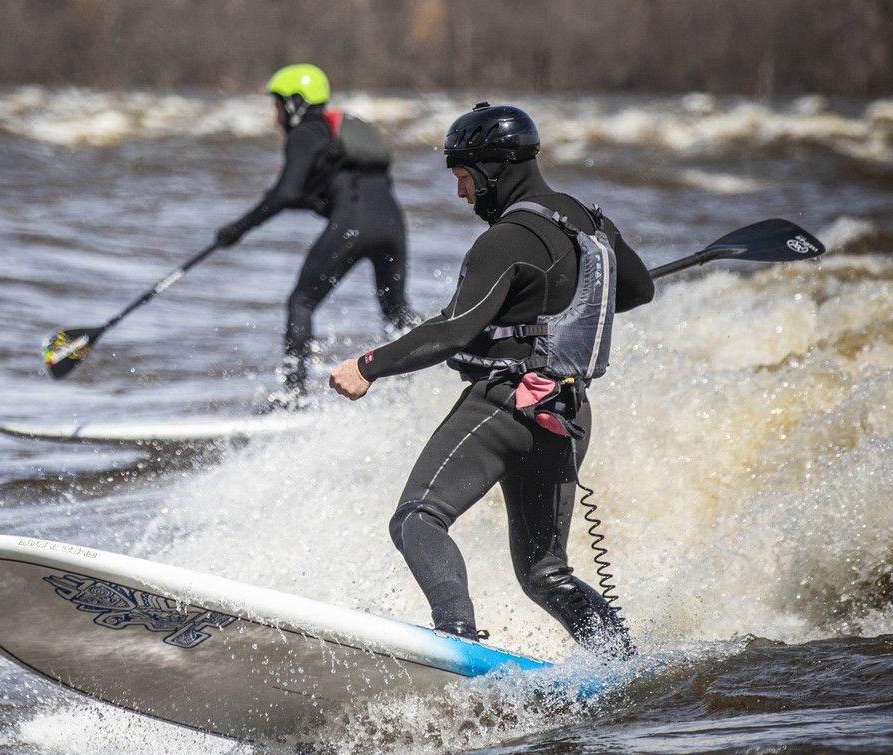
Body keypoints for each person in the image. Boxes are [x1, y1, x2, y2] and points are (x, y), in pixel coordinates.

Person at [329, 102, 655, 658]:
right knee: (546, 574)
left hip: (504, 407)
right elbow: (636, 291)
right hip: (566, 413)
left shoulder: (506, 239)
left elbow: (452, 331)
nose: (461, 193)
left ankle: (455, 645)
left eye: (462, 177)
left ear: (493, 169)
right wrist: (552, 304)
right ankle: (624, 663)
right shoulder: (593, 224)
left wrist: (368, 366)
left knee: (417, 520)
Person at [216, 63, 415, 407]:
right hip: (394, 223)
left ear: (295, 102)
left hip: (353, 221)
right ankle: (424, 385)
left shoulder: (306, 134)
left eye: (278, 106)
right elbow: (321, 194)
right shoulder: (338, 137)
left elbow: (286, 193)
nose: (276, 118)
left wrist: (237, 229)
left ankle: (293, 398)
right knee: (395, 313)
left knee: (301, 302)